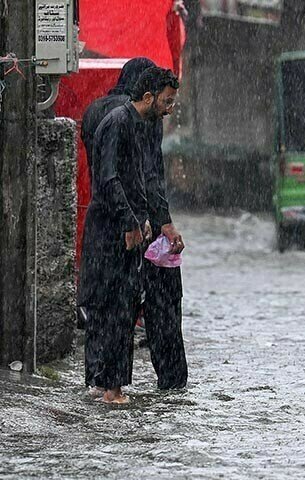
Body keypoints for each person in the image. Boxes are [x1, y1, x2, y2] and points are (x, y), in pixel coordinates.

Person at [81, 59, 188, 393]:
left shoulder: (95, 112)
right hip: (132, 226)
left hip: (111, 225)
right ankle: (168, 384)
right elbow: (140, 176)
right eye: (166, 101)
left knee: (108, 306)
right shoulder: (135, 120)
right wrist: (159, 222)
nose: (168, 109)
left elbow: (104, 176)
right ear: (147, 92)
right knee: (155, 305)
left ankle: (100, 382)